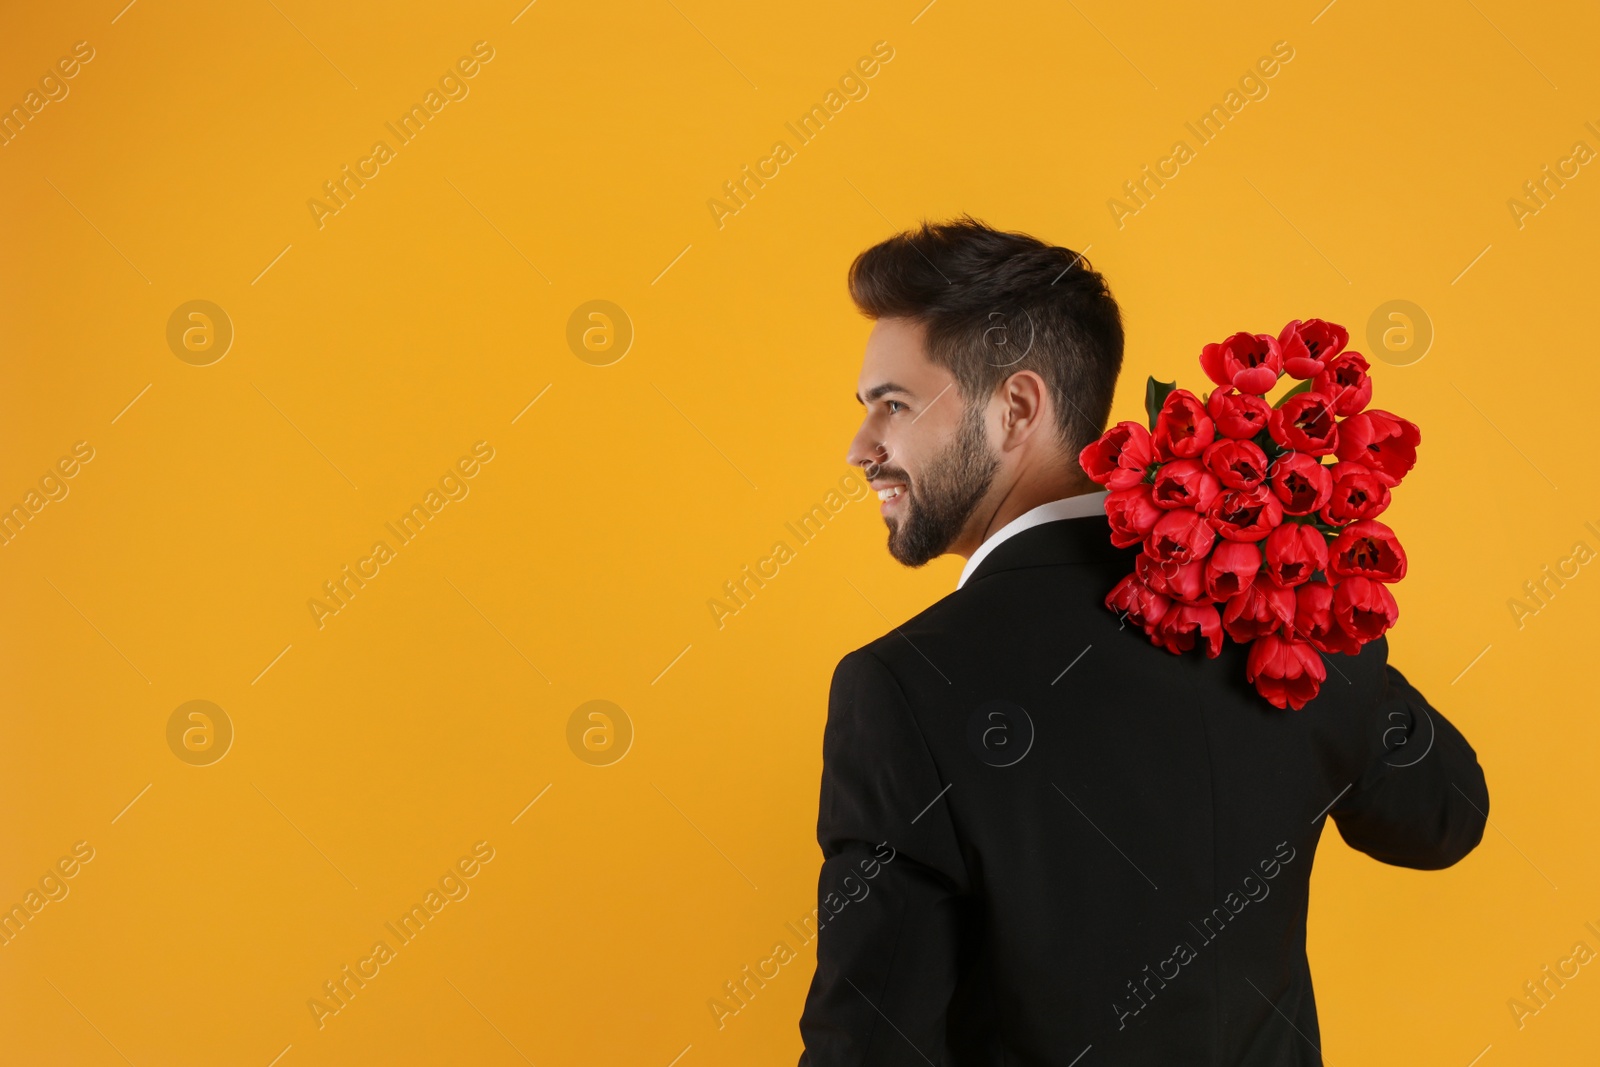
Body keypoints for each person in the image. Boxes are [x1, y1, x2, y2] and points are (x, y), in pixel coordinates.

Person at [796, 217, 1488, 1066]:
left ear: (1016, 409)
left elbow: (867, 1048)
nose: (860, 448)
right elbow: (1443, 818)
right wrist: (1316, 590)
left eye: (892, 406)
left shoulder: (899, 687)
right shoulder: (1277, 612)